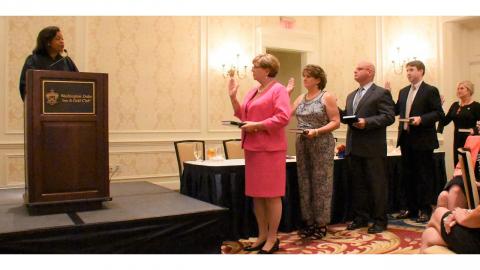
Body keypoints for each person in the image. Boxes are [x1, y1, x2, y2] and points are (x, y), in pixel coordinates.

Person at [228, 53, 290, 254]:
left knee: (271, 195)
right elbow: (243, 115)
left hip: (270, 150)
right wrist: (233, 98)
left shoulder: (278, 90)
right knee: (257, 195)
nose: (252, 70)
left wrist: (258, 126)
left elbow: (283, 117)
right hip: (253, 149)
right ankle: (262, 234)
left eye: (255, 66)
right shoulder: (254, 90)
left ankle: (273, 238)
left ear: (267, 69)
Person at [339, 61, 395, 234]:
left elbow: (388, 117)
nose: (354, 71)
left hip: (373, 148)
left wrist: (367, 122)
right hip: (353, 148)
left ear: (369, 72)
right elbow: (350, 118)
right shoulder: (351, 95)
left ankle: (380, 220)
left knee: (377, 186)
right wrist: (336, 111)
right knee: (358, 186)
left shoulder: (381, 93)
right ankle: (361, 218)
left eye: (359, 69)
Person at [286, 65, 340, 239]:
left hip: (321, 142)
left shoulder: (327, 96)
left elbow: (335, 122)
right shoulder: (301, 97)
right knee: (305, 181)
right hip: (302, 142)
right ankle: (309, 222)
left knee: (321, 183)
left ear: (318, 79)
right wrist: (287, 93)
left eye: (308, 76)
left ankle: (321, 224)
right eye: (304, 76)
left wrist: (317, 131)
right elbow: (286, 115)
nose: (305, 79)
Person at [394, 60, 445, 223]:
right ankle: (409, 207)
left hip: (423, 141)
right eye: (407, 70)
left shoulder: (430, 90)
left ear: (421, 71)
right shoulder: (402, 91)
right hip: (406, 139)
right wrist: (386, 95)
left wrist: (421, 119)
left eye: (411, 70)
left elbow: (439, 113)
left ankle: (425, 209)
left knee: (423, 176)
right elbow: (395, 110)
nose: (408, 73)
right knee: (407, 175)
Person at [19, 26, 79, 101]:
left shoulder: (67, 61)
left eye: (62, 39)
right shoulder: (33, 60)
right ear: (47, 42)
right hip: (41, 105)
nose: (62, 41)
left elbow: (78, 82)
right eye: (58, 39)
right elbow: (25, 86)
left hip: (65, 105)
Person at [437, 81, 480, 166]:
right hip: (457, 140)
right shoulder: (455, 105)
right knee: (458, 165)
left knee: (470, 166)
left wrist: (474, 130)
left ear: (469, 90)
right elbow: (444, 121)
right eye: (458, 89)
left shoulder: (476, 106)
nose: (458, 91)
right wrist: (439, 107)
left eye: (461, 88)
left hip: (471, 140)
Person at [437, 135, 480, 210]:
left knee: (455, 191)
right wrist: (470, 182)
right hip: (469, 181)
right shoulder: (472, 139)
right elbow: (460, 167)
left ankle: (451, 220)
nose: (478, 123)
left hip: (476, 186)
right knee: (443, 196)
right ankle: (449, 220)